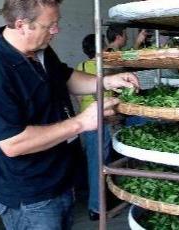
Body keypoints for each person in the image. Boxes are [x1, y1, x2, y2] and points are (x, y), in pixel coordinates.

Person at [0, 0, 139, 230]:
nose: (56, 30)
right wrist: (81, 123)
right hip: (32, 197)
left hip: (61, 180)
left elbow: (64, 77)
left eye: (57, 22)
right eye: (49, 25)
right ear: (22, 25)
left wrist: (106, 82)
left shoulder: (40, 49)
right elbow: (12, 143)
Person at [75, 34, 118, 221]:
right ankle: (96, 207)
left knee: (95, 162)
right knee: (101, 164)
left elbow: (78, 98)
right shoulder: (107, 69)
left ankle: (100, 202)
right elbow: (113, 94)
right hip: (104, 120)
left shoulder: (81, 67)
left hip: (87, 120)